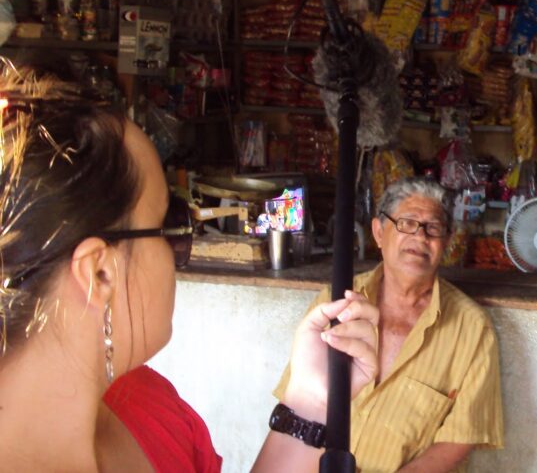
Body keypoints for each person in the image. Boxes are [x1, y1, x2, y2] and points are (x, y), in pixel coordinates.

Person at [0, 60, 378, 471]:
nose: (179, 247)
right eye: (170, 222)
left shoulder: (149, 407)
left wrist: (311, 399)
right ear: (99, 273)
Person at [274, 178, 504, 472]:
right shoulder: (336, 303)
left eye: (433, 228)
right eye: (407, 223)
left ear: (446, 241)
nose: (420, 237)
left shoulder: (471, 328)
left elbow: (461, 436)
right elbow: (296, 402)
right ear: (379, 233)